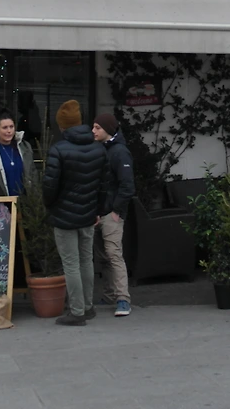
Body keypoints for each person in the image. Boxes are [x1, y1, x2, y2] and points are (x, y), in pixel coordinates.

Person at [42, 99, 109, 326]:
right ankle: (88, 307)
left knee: (70, 263)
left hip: (64, 216)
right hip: (89, 214)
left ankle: (77, 312)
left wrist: (50, 206)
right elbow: (103, 184)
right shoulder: (98, 148)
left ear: (62, 125)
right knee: (86, 261)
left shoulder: (58, 150)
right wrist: (98, 209)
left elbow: (50, 186)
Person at [91, 113, 134, 317]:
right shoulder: (101, 149)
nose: (93, 131)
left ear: (108, 129)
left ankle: (123, 299)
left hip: (111, 213)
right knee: (104, 257)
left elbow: (127, 185)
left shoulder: (120, 152)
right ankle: (109, 295)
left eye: (97, 127)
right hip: (100, 213)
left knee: (114, 255)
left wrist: (116, 211)